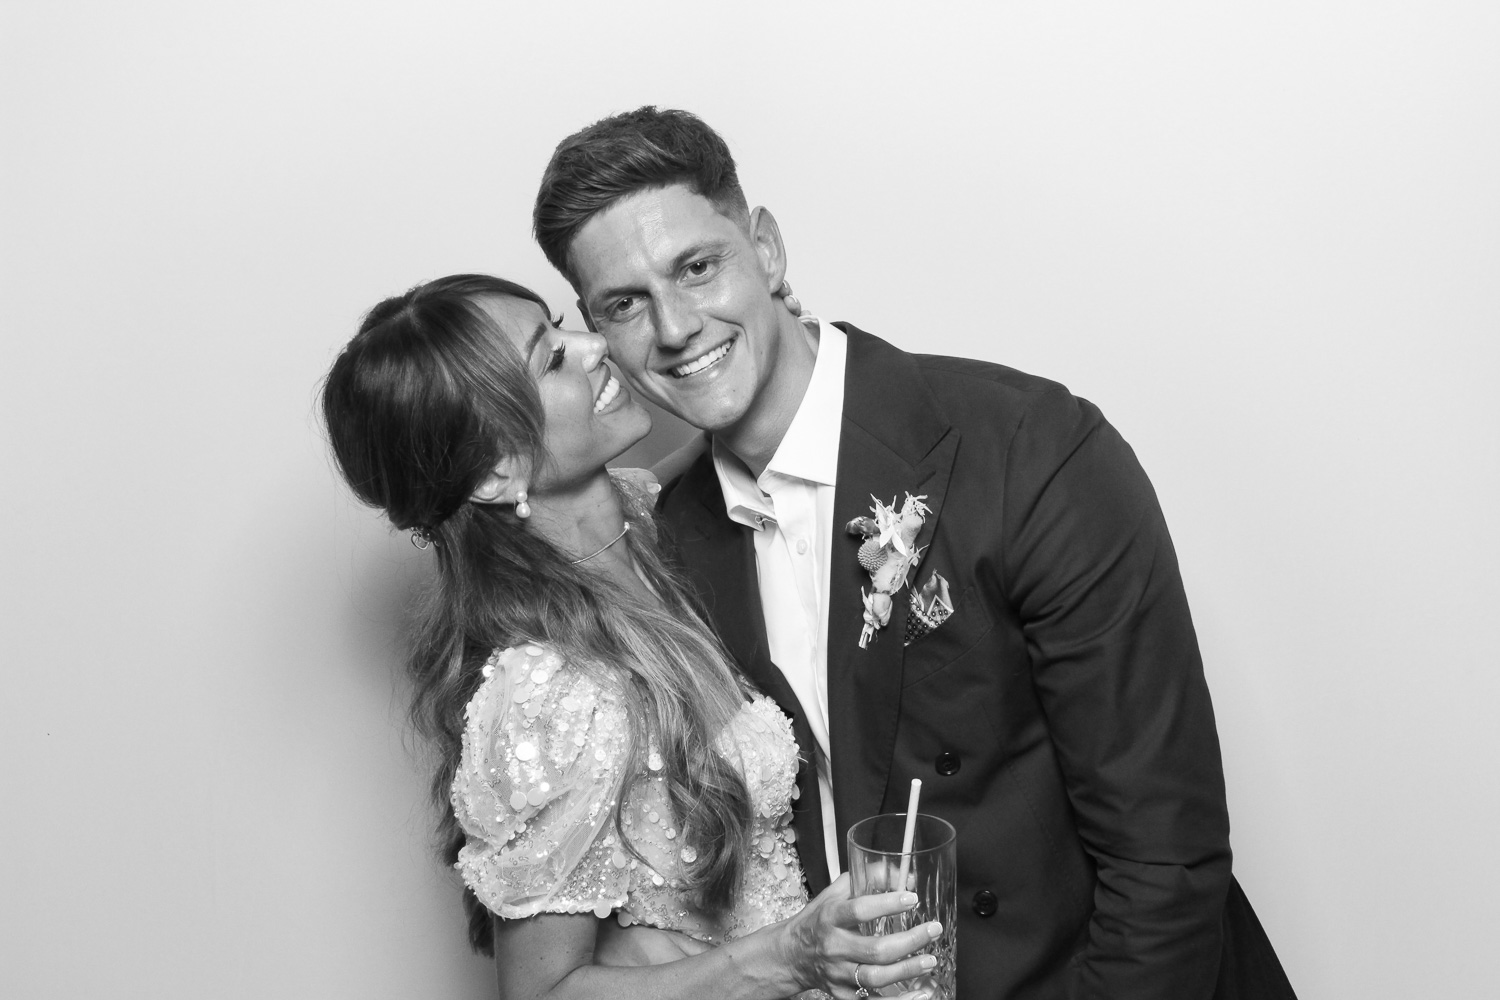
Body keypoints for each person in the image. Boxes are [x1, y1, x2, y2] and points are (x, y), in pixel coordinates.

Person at [531, 108, 1297, 999]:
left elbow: (1164, 858)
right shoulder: (667, 543)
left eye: (697, 267)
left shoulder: (1030, 449)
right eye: (624, 304)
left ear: (767, 250)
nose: (673, 327)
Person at [320, 274, 941, 999]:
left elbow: (727, 439)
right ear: (494, 470)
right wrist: (787, 957)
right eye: (552, 358)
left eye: (564, 324)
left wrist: (770, 335)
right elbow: (543, 992)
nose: (593, 345)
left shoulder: (644, 519)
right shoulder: (549, 694)